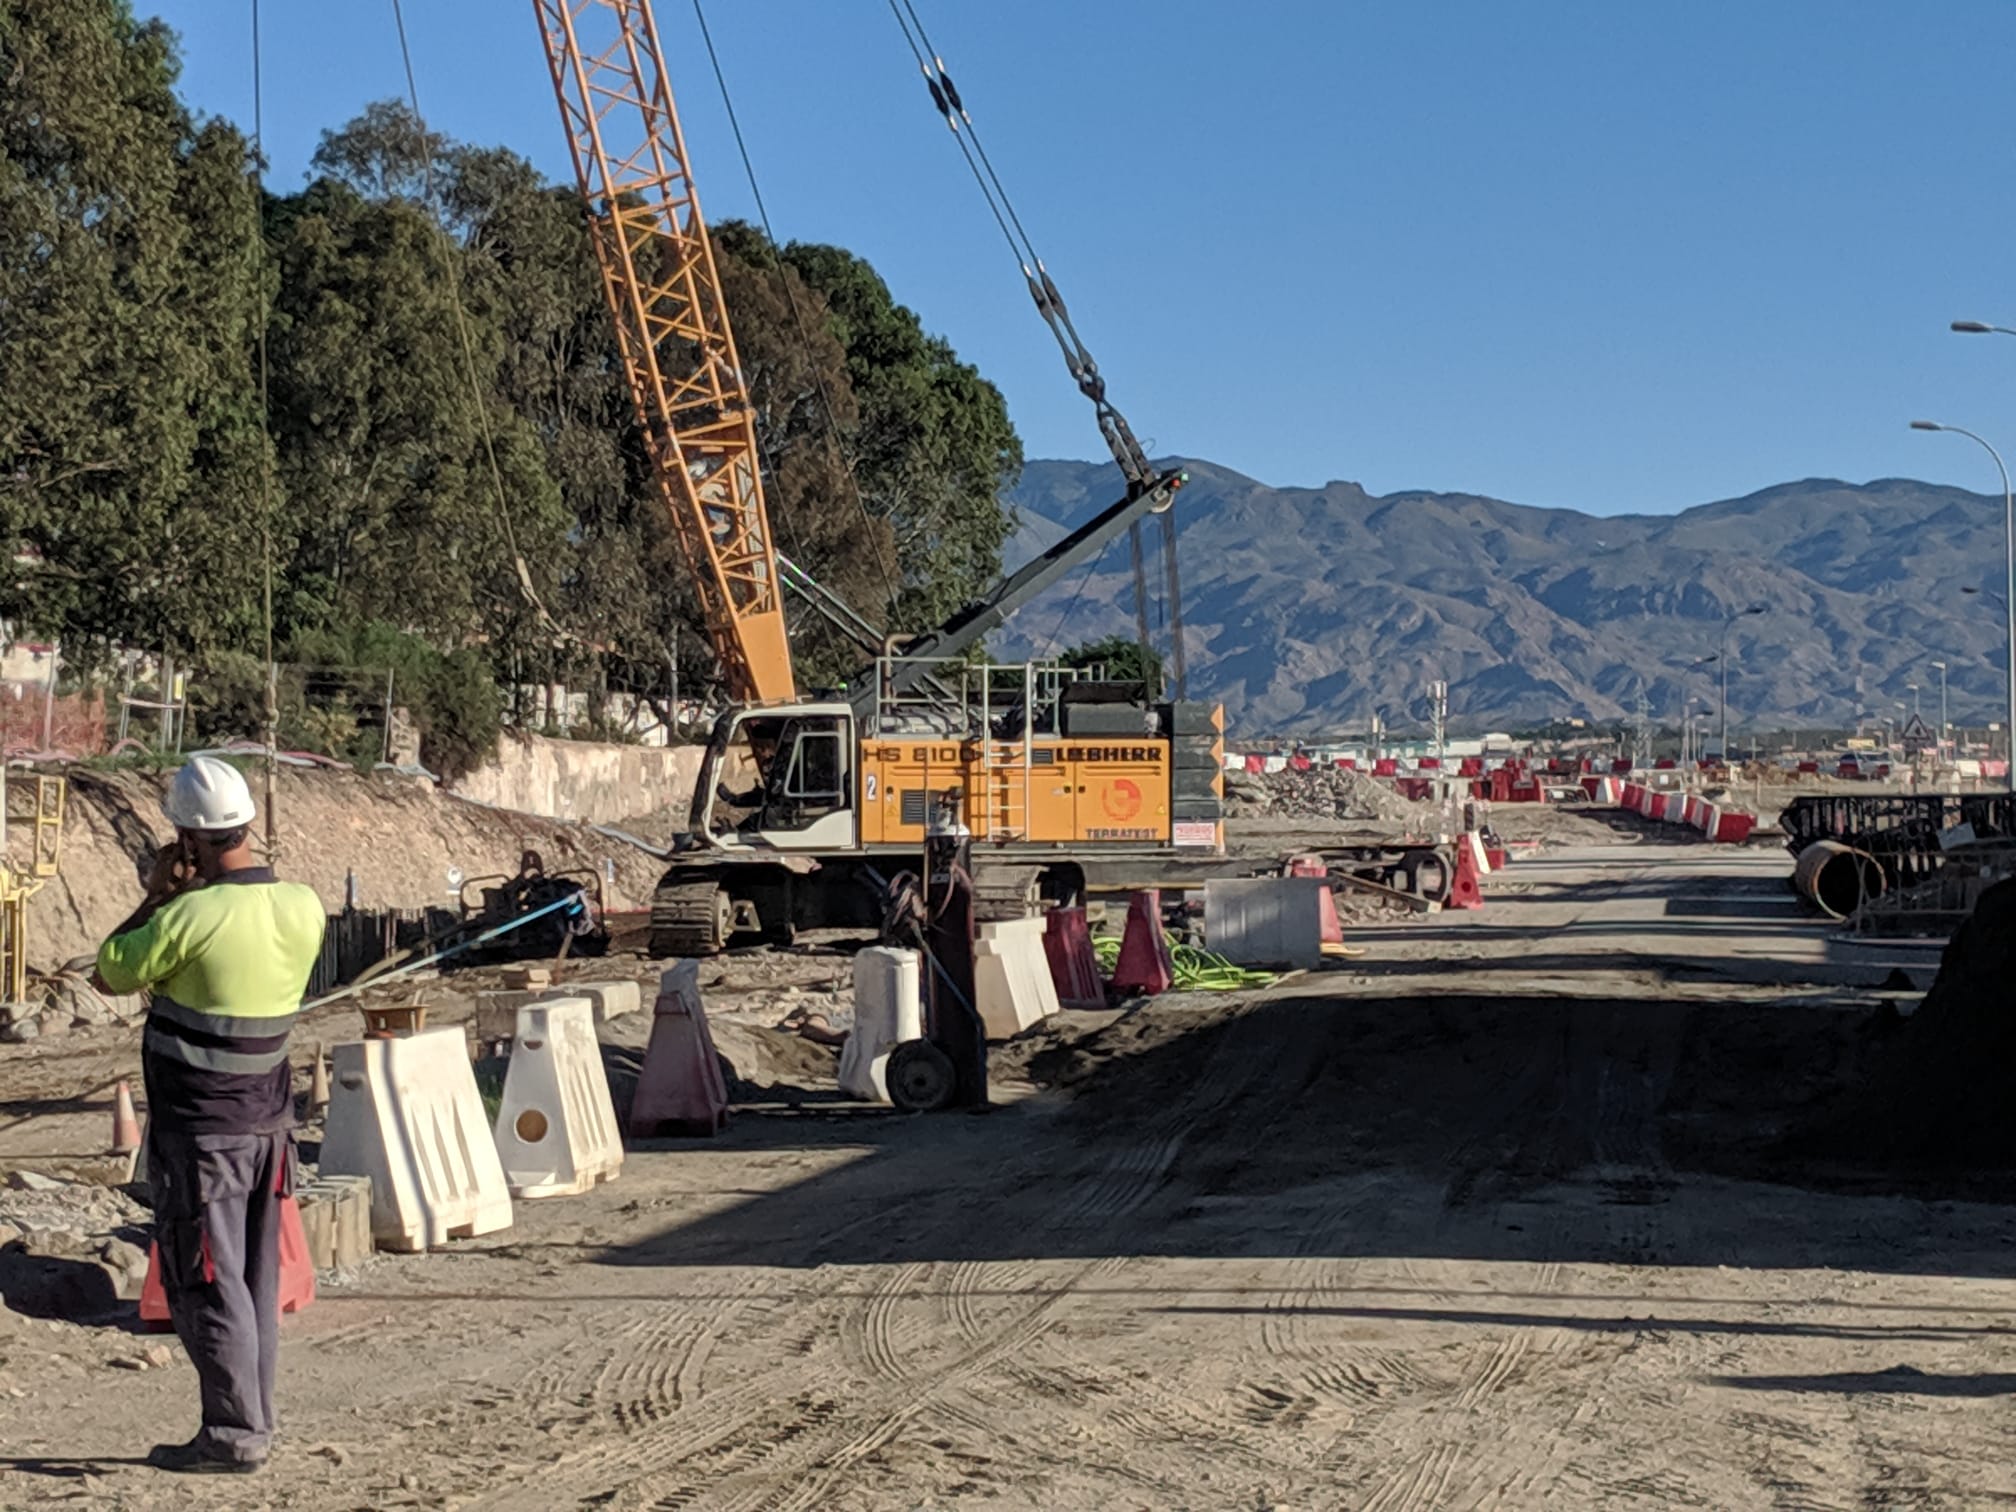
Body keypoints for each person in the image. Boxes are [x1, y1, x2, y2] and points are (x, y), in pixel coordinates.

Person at [93, 756, 325, 1475]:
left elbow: (110, 968)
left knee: (208, 1279)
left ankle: (233, 1436)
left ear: (189, 839)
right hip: (271, 1128)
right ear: (247, 825)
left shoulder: (188, 916)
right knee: (254, 1281)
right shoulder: (304, 906)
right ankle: (254, 1417)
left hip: (203, 1136)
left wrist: (158, 897)